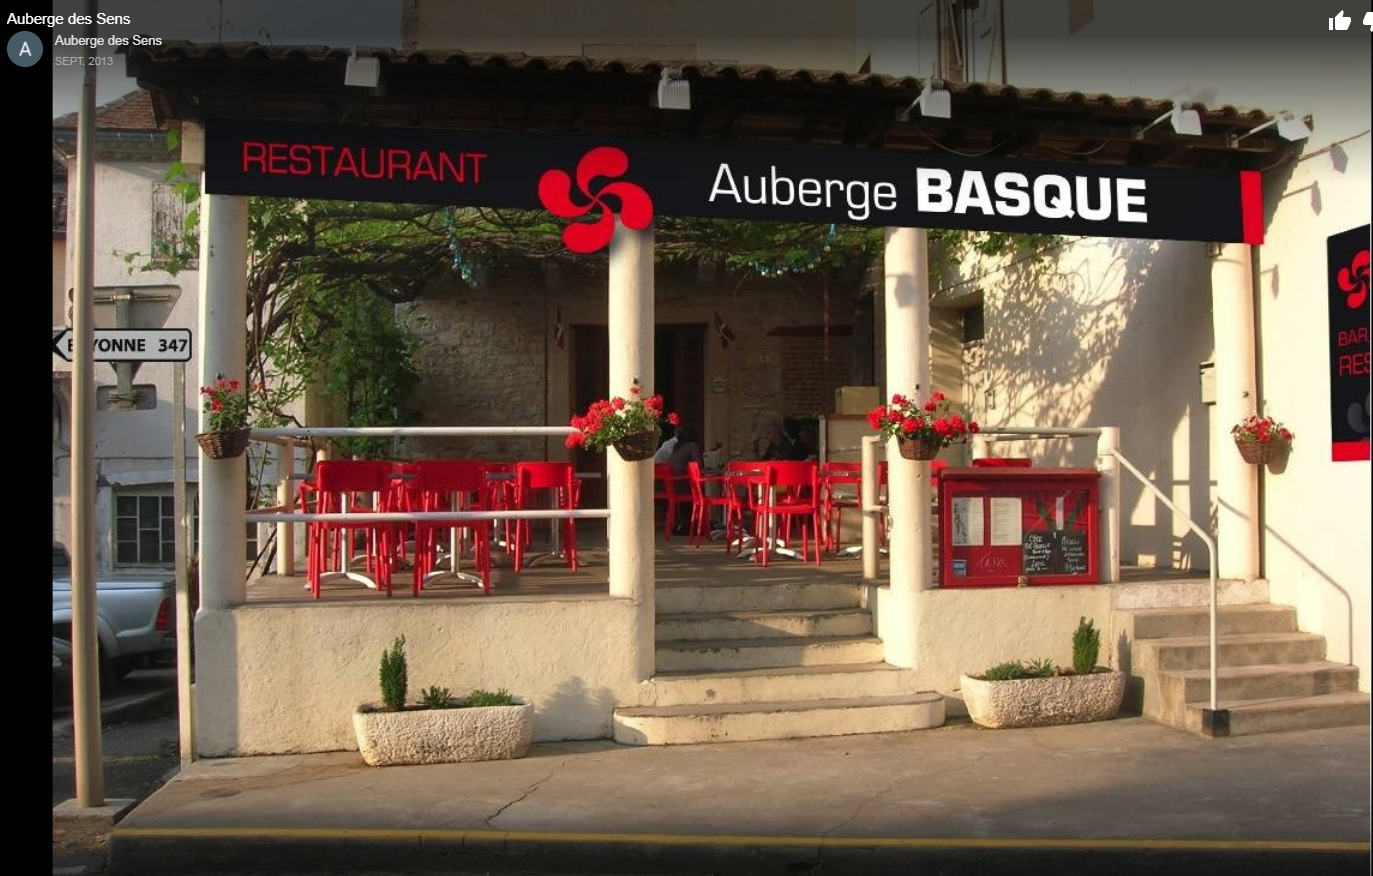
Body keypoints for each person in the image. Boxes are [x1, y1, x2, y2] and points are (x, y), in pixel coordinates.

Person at [667, 425, 703, 534]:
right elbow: (698, 466)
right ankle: (699, 525)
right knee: (700, 491)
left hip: (674, 486)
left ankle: (685, 524)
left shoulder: (676, 448)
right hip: (686, 486)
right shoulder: (692, 446)